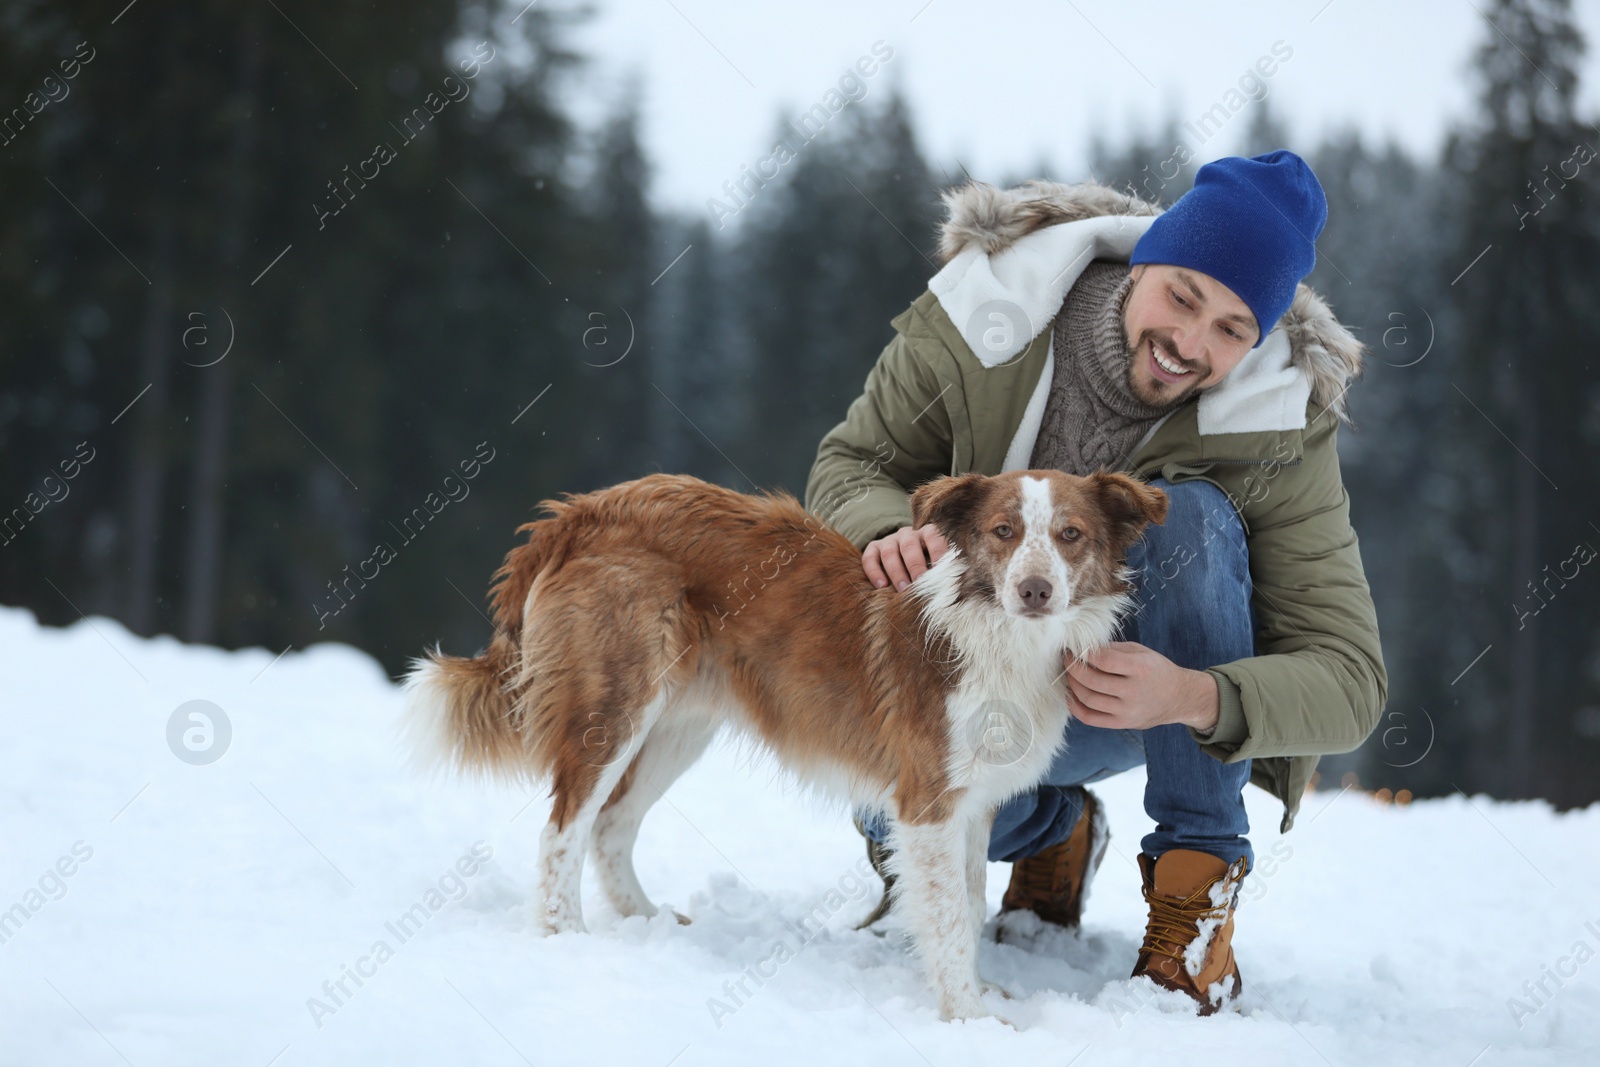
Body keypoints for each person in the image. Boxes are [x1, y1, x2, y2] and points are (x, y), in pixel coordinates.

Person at [803, 150, 1387, 1015]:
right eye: (1183, 295)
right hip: (981, 681)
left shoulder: (1279, 429)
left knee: (1188, 517)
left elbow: (1352, 682)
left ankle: (1194, 911)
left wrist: (1197, 694)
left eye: (1233, 328)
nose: (1190, 343)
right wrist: (884, 526)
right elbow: (854, 460)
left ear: (1261, 338)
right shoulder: (987, 314)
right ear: (1143, 257)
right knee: (896, 813)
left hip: (1137, 698)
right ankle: (1055, 829)